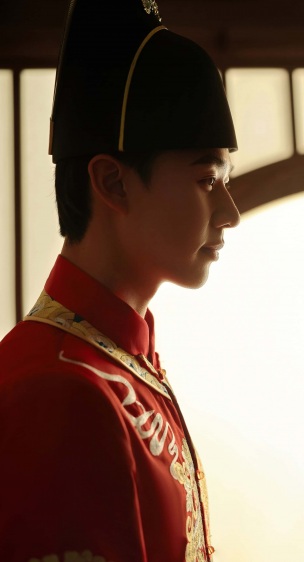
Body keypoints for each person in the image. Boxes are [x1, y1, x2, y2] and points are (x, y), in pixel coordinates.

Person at [0, 0, 240, 560]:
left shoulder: (116, 361)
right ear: (113, 182)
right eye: (207, 179)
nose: (230, 213)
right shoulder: (60, 391)